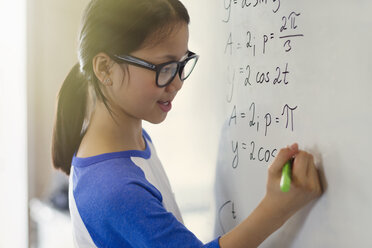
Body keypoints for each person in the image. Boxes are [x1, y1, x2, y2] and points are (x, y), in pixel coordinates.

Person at [51, 0, 323, 247]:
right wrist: (277, 208)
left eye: (181, 64)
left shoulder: (133, 138)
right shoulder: (114, 189)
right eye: (164, 68)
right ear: (104, 69)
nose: (178, 83)